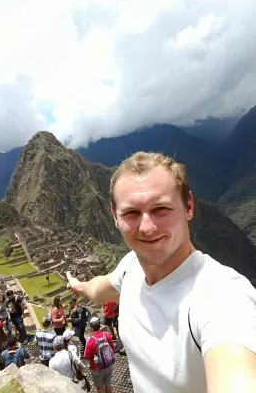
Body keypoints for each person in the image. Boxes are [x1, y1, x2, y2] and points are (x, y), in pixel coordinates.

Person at [67, 151, 256, 393]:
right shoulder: (131, 268)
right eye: (132, 213)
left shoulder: (223, 296)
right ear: (115, 216)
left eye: (161, 209)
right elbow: (98, 288)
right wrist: (78, 285)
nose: (147, 227)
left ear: (188, 206)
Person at [84, 317, 115, 393]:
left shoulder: (90, 340)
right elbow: (113, 349)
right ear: (99, 325)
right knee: (108, 384)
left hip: (97, 367)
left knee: (99, 387)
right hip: (109, 364)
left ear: (91, 328)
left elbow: (86, 356)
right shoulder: (107, 335)